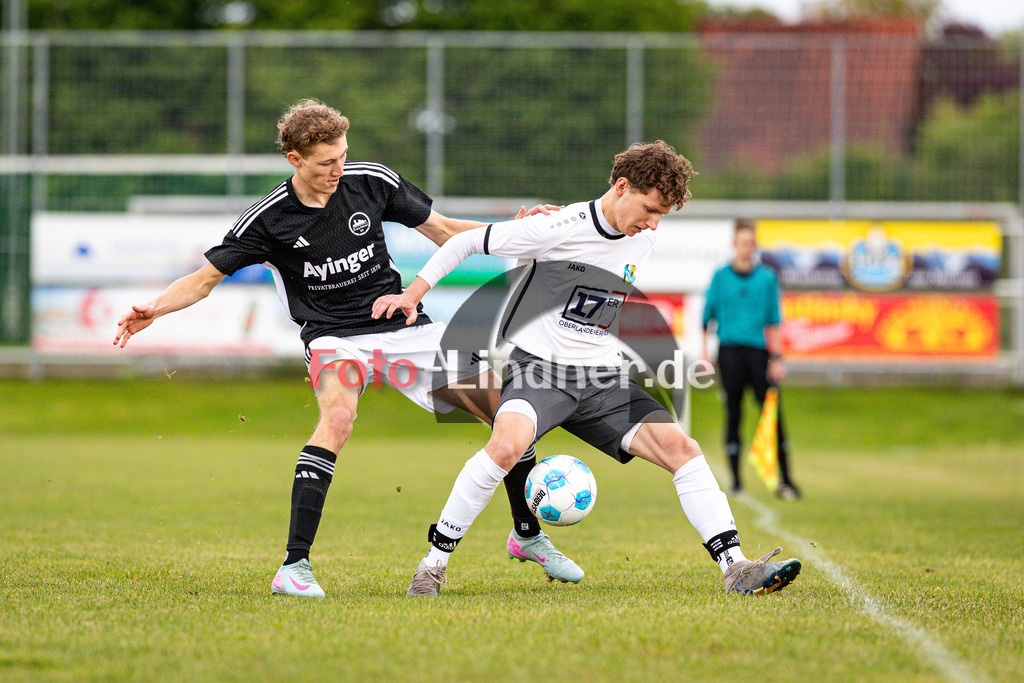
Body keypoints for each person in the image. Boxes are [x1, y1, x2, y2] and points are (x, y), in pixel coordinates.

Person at [113, 99, 581, 598]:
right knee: (337, 419)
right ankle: (294, 567)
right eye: (325, 162)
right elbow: (204, 280)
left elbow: (444, 231)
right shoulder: (269, 219)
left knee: (507, 412)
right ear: (295, 160)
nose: (338, 169)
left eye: (342, 156)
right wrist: (154, 309)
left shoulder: (370, 182)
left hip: (405, 327)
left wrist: (518, 231)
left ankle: (527, 534)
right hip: (334, 337)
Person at [373, 141, 802, 597]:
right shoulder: (558, 225)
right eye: (650, 209)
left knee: (683, 448)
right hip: (538, 371)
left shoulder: (643, 237)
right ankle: (432, 566)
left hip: (601, 378)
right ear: (622, 187)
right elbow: (463, 242)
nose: (653, 224)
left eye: (661, 215)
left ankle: (736, 569)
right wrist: (412, 295)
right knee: (506, 447)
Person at [702, 218, 800, 500]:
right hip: (729, 352)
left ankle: (785, 480)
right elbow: (706, 319)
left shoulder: (766, 278)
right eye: (742, 242)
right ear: (735, 244)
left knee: (772, 415)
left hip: (759, 354)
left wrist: (777, 358)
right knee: (733, 414)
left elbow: (774, 322)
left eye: (751, 243)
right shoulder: (720, 277)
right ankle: (735, 482)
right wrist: (706, 356)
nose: (747, 247)